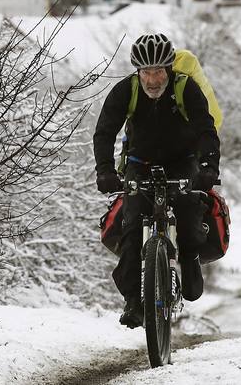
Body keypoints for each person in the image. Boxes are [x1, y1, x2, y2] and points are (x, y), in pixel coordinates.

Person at [93, 32, 220, 329]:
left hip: (182, 161)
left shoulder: (185, 89)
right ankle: (133, 302)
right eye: (146, 72)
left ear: (169, 69)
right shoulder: (127, 90)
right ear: (138, 71)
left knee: (189, 211)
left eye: (159, 71)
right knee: (132, 224)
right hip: (140, 163)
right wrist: (105, 170)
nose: (153, 79)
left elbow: (206, 129)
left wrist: (207, 166)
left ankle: (188, 262)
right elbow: (105, 131)